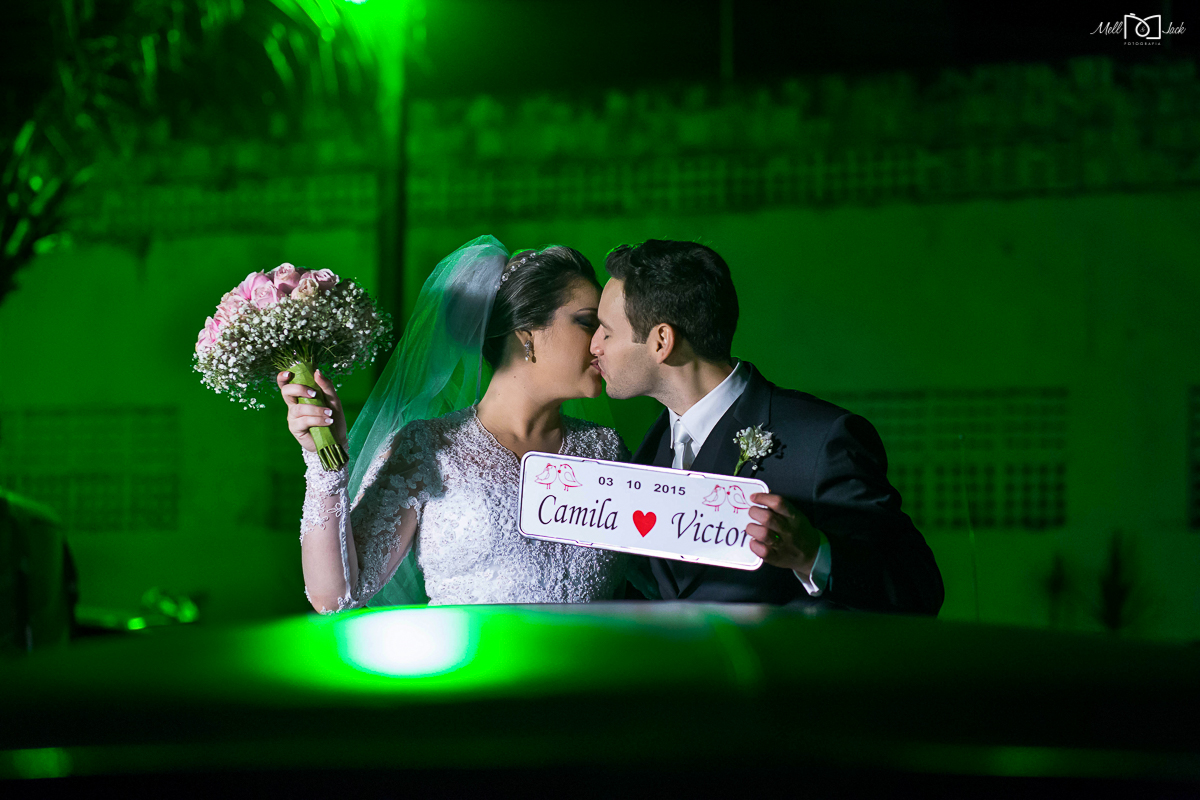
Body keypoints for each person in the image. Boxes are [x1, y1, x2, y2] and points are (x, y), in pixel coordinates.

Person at [280, 236, 650, 612]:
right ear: (526, 333)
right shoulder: (428, 449)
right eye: (588, 323)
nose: (602, 343)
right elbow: (336, 597)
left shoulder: (606, 449)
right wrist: (325, 462)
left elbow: (652, 581)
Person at [590, 240, 944, 613]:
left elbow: (918, 589)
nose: (594, 345)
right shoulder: (649, 448)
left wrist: (813, 555)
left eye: (606, 331)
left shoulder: (823, 440)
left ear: (662, 341)